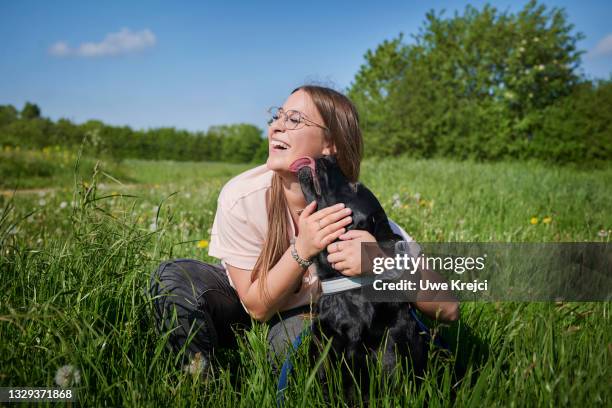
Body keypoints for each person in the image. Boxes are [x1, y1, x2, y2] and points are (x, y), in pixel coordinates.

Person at [148, 85, 460, 375]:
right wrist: (303, 248)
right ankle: (197, 388)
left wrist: (381, 262)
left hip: (304, 316)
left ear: (330, 145)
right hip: (244, 302)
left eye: (294, 119)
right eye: (277, 117)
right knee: (174, 278)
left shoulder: (355, 212)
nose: (276, 126)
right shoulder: (242, 196)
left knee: (309, 348)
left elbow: (448, 307)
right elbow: (256, 307)